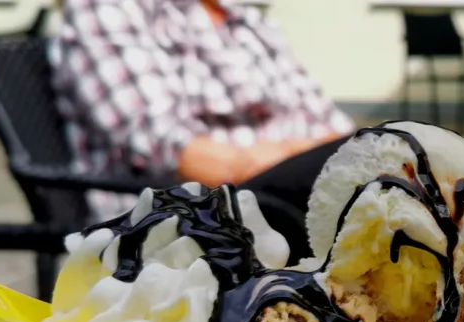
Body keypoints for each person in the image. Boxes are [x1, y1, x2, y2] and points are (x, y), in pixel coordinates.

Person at [50, 0, 355, 220]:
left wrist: (290, 155)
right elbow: (190, 157)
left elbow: (335, 131)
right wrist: (300, 153)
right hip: (190, 219)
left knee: (381, 153)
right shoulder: (108, 8)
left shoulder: (248, 20)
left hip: (285, 203)